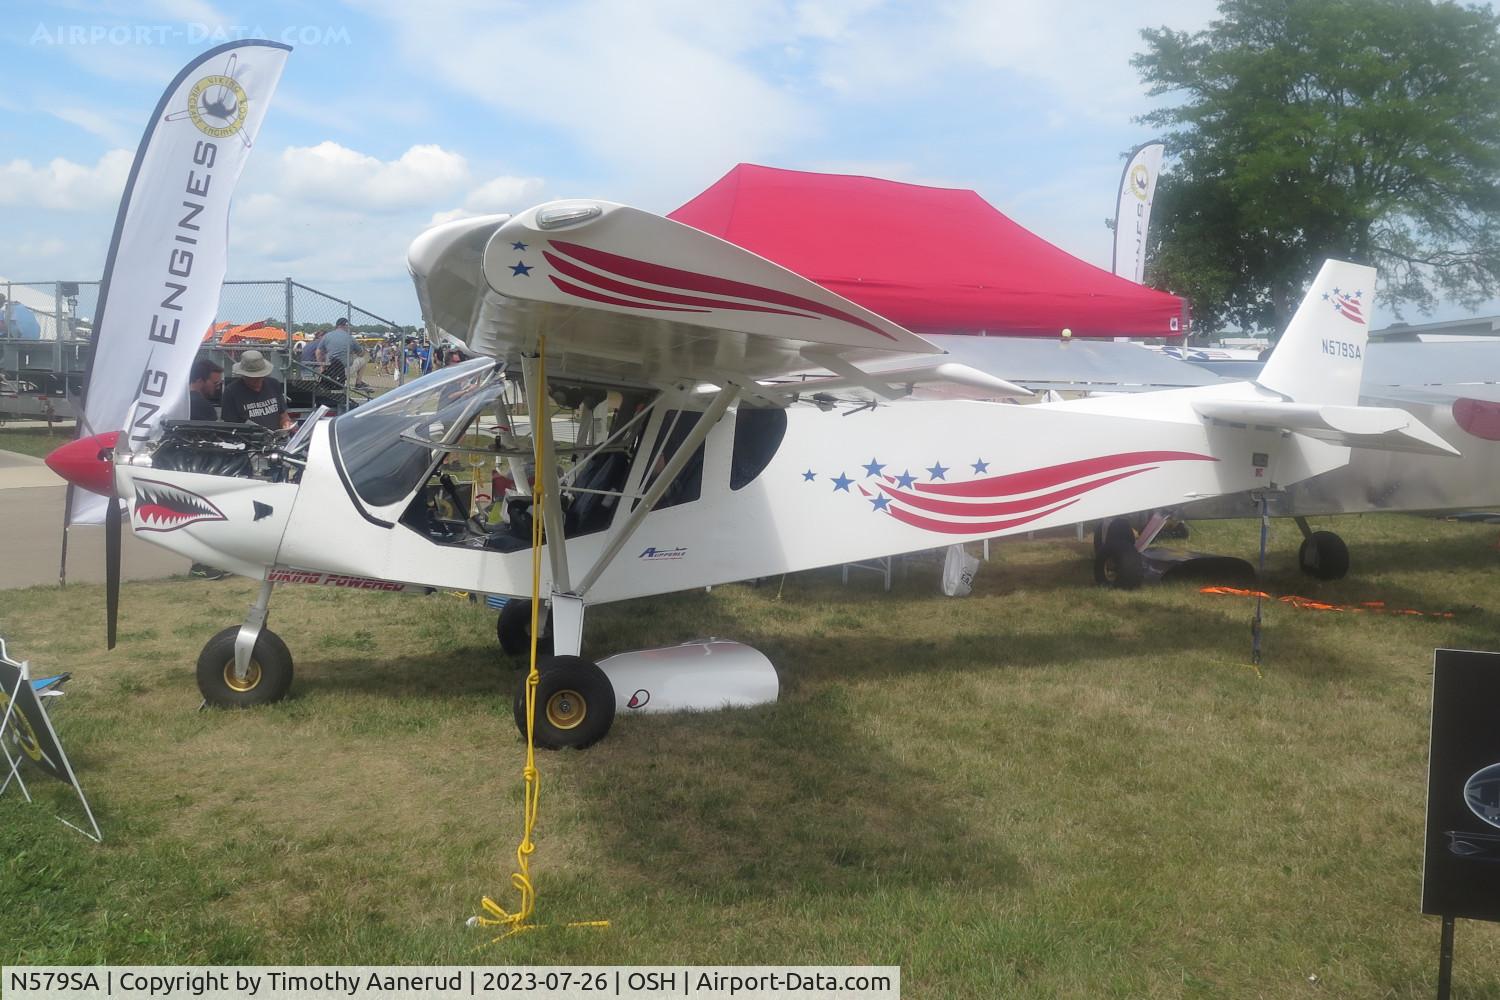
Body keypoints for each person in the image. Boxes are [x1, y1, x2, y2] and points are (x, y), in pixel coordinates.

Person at [220, 350, 292, 430]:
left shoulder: (273, 384)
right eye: (252, 378)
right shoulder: (231, 392)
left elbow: (283, 415)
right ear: (243, 375)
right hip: (247, 441)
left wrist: (286, 424)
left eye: (260, 376)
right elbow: (230, 425)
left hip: (277, 439)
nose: (257, 380)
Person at [317, 317, 355, 390]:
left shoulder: (327, 335)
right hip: (345, 368)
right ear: (342, 326)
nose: (348, 328)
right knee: (362, 359)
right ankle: (359, 383)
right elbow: (361, 353)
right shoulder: (350, 337)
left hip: (329, 367)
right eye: (347, 326)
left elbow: (318, 352)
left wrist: (322, 365)